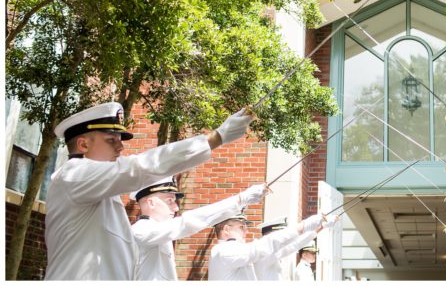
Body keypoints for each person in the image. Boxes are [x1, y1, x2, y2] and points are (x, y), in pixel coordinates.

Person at [44, 101, 255, 280]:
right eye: (111, 140)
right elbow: (138, 168)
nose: (120, 148)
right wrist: (216, 138)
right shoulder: (74, 174)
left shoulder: (98, 191)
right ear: (83, 145)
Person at [131, 177, 266, 281]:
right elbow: (187, 222)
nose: (176, 208)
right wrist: (240, 200)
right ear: (151, 203)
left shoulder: (157, 232)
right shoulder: (142, 230)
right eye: (170, 201)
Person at [208, 213, 325, 280]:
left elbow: (290, 247)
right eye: (241, 227)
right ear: (227, 229)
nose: (246, 232)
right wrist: (302, 226)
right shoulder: (224, 250)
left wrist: (315, 230)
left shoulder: (230, 250)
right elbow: (262, 246)